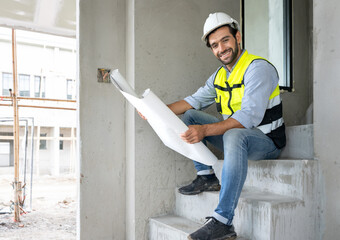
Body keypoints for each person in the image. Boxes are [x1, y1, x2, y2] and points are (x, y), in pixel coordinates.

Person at [166, 12, 286, 240]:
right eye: (214, 45)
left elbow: (247, 118)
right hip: (239, 138)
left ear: (237, 37)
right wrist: (155, 109)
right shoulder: (220, 76)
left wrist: (205, 131)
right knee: (191, 116)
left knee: (234, 135)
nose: (221, 49)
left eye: (225, 40)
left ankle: (223, 222)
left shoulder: (257, 68)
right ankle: (207, 177)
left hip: (267, 142)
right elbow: (192, 101)